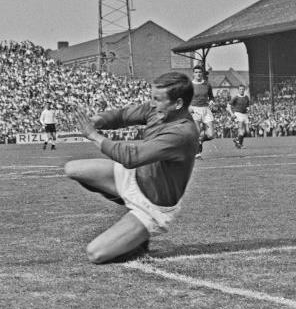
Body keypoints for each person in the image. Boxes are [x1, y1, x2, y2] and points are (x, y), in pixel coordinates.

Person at [64, 72, 198, 264]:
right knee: (72, 169)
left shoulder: (182, 133)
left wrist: (93, 135)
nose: (151, 103)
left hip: (152, 206)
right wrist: (96, 121)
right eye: (152, 97)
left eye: (158, 99)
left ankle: (138, 241)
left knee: (95, 253)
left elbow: (131, 157)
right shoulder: (158, 110)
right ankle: (126, 207)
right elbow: (122, 115)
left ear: (177, 104)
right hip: (134, 177)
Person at [189, 65, 215, 158]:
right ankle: (197, 153)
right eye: (196, 72)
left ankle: (200, 141)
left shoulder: (207, 84)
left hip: (206, 109)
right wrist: (188, 107)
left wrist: (212, 102)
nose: (198, 74)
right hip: (194, 109)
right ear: (193, 74)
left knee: (211, 135)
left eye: (199, 72)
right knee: (197, 131)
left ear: (202, 73)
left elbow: (211, 97)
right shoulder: (190, 85)